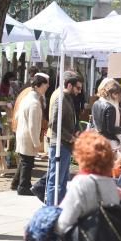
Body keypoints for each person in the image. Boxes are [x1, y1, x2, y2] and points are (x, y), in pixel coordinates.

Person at [46, 72, 82, 205]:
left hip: (65, 144)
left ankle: (59, 206)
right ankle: (51, 208)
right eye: (77, 88)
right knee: (55, 180)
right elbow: (53, 123)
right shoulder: (60, 98)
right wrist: (70, 137)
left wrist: (76, 129)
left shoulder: (68, 98)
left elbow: (72, 118)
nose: (79, 92)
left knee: (61, 181)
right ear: (69, 85)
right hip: (60, 144)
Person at [12, 73, 50, 195]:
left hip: (22, 133)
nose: (47, 87)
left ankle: (17, 182)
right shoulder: (34, 102)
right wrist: (36, 143)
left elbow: (18, 116)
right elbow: (33, 126)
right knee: (27, 162)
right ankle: (24, 186)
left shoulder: (27, 98)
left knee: (25, 160)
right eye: (45, 85)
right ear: (39, 86)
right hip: (27, 135)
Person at [91, 78, 121, 149]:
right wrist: (120, 129)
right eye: (116, 94)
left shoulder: (96, 103)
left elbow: (94, 122)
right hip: (109, 141)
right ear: (110, 93)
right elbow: (110, 129)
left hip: (97, 138)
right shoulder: (110, 107)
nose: (117, 96)